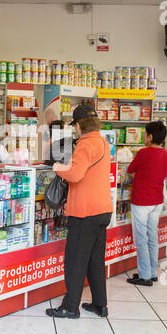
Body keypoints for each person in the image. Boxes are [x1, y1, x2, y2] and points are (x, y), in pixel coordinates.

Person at [45, 105, 113, 319]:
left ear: (78, 125)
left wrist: (56, 166)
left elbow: (74, 174)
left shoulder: (85, 145)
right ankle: (100, 305)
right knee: (95, 261)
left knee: (75, 260)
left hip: (85, 212)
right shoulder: (102, 142)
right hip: (102, 210)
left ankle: (69, 307)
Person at [126, 121, 167, 286]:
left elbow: (130, 169)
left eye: (145, 134)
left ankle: (144, 276)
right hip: (157, 202)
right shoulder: (165, 153)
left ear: (150, 136)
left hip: (142, 201)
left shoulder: (143, 153)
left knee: (141, 239)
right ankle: (152, 272)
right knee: (152, 237)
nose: (143, 136)